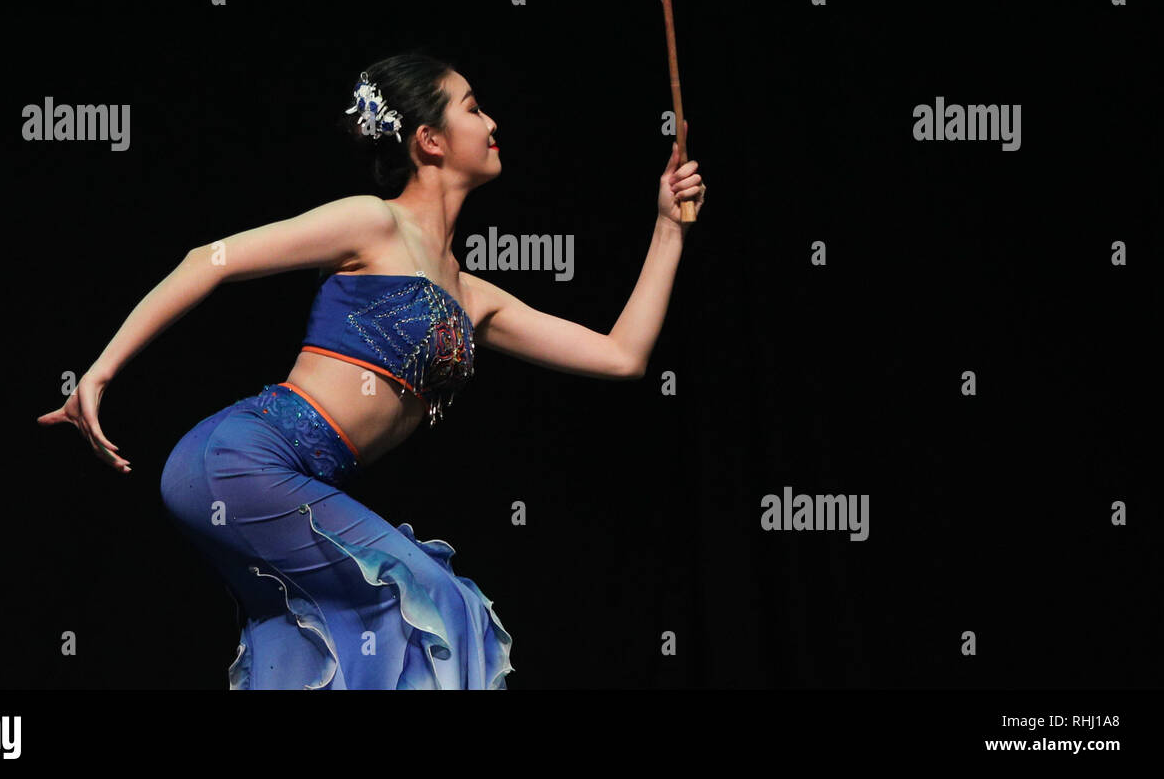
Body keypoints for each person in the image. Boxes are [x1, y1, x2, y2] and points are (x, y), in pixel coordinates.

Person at [36, 52, 706, 689]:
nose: (493, 123)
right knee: (438, 603)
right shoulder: (371, 223)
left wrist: (667, 227)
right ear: (430, 140)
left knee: (335, 641)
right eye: (473, 109)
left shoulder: (474, 299)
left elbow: (623, 355)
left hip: (272, 479)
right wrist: (99, 373)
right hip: (239, 460)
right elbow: (208, 259)